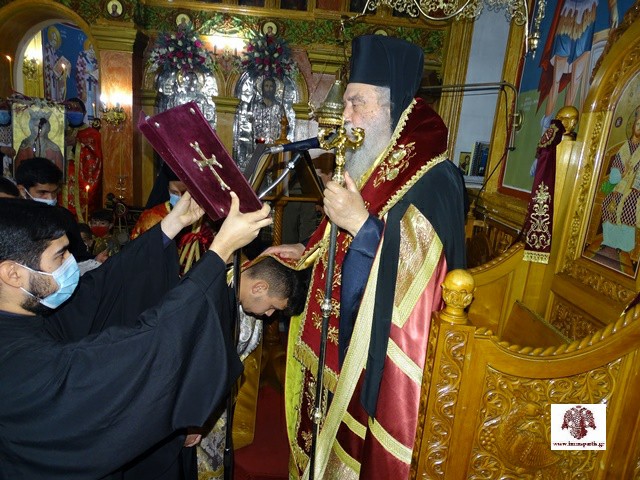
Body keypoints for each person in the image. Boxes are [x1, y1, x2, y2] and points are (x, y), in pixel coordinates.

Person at [266, 35, 467, 479]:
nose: (347, 116)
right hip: (335, 339)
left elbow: (420, 286)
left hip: (373, 357)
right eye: (347, 103)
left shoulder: (434, 178)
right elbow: (344, 244)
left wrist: (360, 224)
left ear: (393, 109)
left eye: (357, 104)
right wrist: (309, 249)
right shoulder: (374, 161)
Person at [0, 190, 272, 479]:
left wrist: (172, 225)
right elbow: (141, 351)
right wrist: (219, 253)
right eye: (60, 255)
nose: (70, 262)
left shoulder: (23, 313)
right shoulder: (20, 366)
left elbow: (101, 287)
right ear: (12, 274)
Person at [131, 163, 216, 274]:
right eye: (174, 193)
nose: (181, 199)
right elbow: (137, 257)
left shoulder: (206, 217)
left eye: (185, 193)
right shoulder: (152, 218)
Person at [15, 156, 93, 263]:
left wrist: (94, 260)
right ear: (23, 191)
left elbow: (79, 255)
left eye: (54, 192)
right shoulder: (12, 221)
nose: (50, 198)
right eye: (42, 192)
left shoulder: (64, 217)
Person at [600, 105, 640, 262]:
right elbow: (616, 168)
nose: (639, 128)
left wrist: (635, 187)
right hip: (619, 184)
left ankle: (623, 245)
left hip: (634, 187)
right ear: (633, 126)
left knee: (629, 205)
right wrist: (620, 175)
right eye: (638, 124)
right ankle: (609, 240)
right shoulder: (624, 147)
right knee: (608, 202)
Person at [63, 97, 103, 220]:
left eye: (77, 109)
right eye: (69, 109)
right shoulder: (60, 132)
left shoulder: (93, 134)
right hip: (63, 181)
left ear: (84, 112)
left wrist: (78, 145)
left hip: (81, 180)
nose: (73, 112)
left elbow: (96, 161)